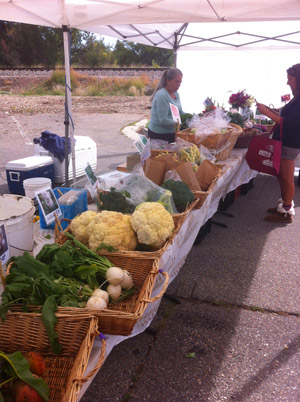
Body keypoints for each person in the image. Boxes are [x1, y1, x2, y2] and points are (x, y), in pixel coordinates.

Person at [256, 63, 300, 223]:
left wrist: (267, 112)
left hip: (290, 142)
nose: (288, 82)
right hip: (286, 141)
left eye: (290, 79)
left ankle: (286, 212)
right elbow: (284, 114)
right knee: (282, 176)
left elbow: (289, 122)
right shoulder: (297, 97)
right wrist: (268, 109)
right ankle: (285, 205)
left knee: (287, 178)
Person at [148, 68, 184, 143]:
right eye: (176, 81)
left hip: (172, 133)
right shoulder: (162, 95)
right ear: (168, 80)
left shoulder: (176, 94)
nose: (179, 85)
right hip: (159, 135)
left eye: (180, 82)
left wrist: (191, 119)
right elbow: (163, 120)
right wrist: (179, 124)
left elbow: (180, 112)